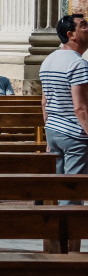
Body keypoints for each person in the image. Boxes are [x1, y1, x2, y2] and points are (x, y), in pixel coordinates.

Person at [40, 13, 88, 173]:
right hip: (74, 134)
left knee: (58, 187)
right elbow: (80, 108)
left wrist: (48, 134)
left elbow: (44, 102)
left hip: (53, 131)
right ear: (71, 35)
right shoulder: (78, 64)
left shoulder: (49, 60)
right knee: (73, 190)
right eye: (84, 25)